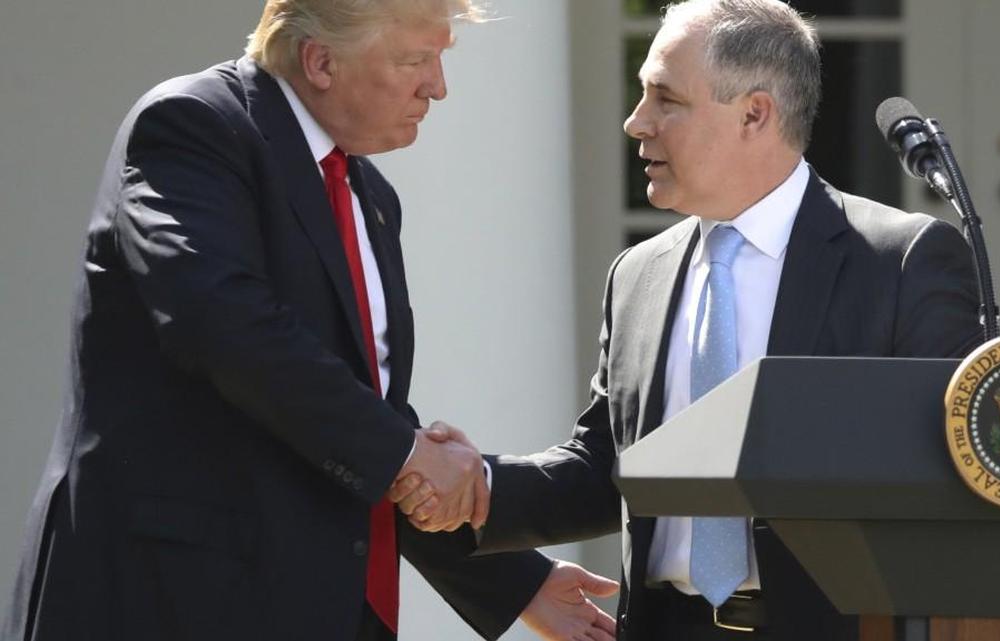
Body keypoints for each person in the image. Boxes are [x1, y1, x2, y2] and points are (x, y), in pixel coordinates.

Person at [2, 1, 617, 640]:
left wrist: (517, 582)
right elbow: (226, 327)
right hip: (164, 601)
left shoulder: (369, 196)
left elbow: (345, 420)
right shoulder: (192, 126)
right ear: (320, 61)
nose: (437, 85)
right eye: (415, 60)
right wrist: (410, 455)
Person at [395, 0, 984, 639]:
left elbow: (945, 478)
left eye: (665, 99)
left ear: (754, 114)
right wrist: (478, 483)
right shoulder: (638, 277)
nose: (635, 122)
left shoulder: (899, 262)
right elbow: (608, 467)